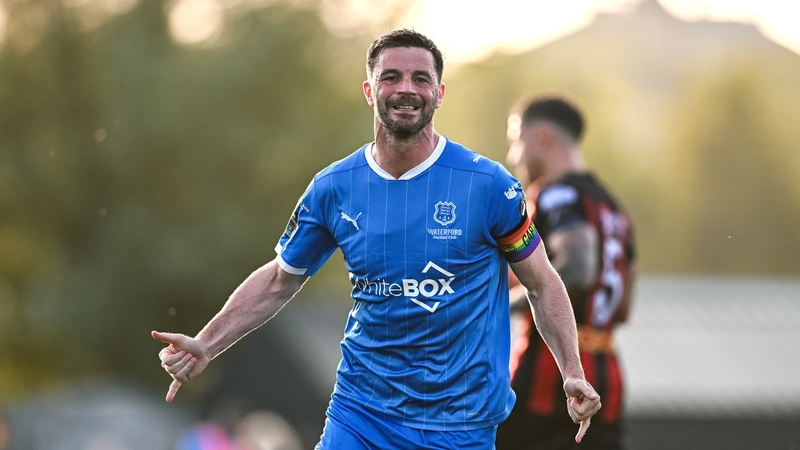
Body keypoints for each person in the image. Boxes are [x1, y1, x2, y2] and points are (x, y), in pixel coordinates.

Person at [152, 30, 601, 450]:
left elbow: (542, 282)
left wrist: (572, 371)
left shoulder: (487, 185)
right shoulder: (334, 187)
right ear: (370, 90)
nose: (406, 88)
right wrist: (206, 342)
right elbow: (279, 280)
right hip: (361, 414)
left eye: (420, 78)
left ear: (439, 94)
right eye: (391, 77)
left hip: (460, 424)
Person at [495, 95, 637, 450]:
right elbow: (623, 308)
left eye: (516, 140)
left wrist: (501, 306)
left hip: (549, 380)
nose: (514, 156)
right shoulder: (613, 209)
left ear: (542, 136)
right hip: (608, 381)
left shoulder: (558, 195)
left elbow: (577, 266)